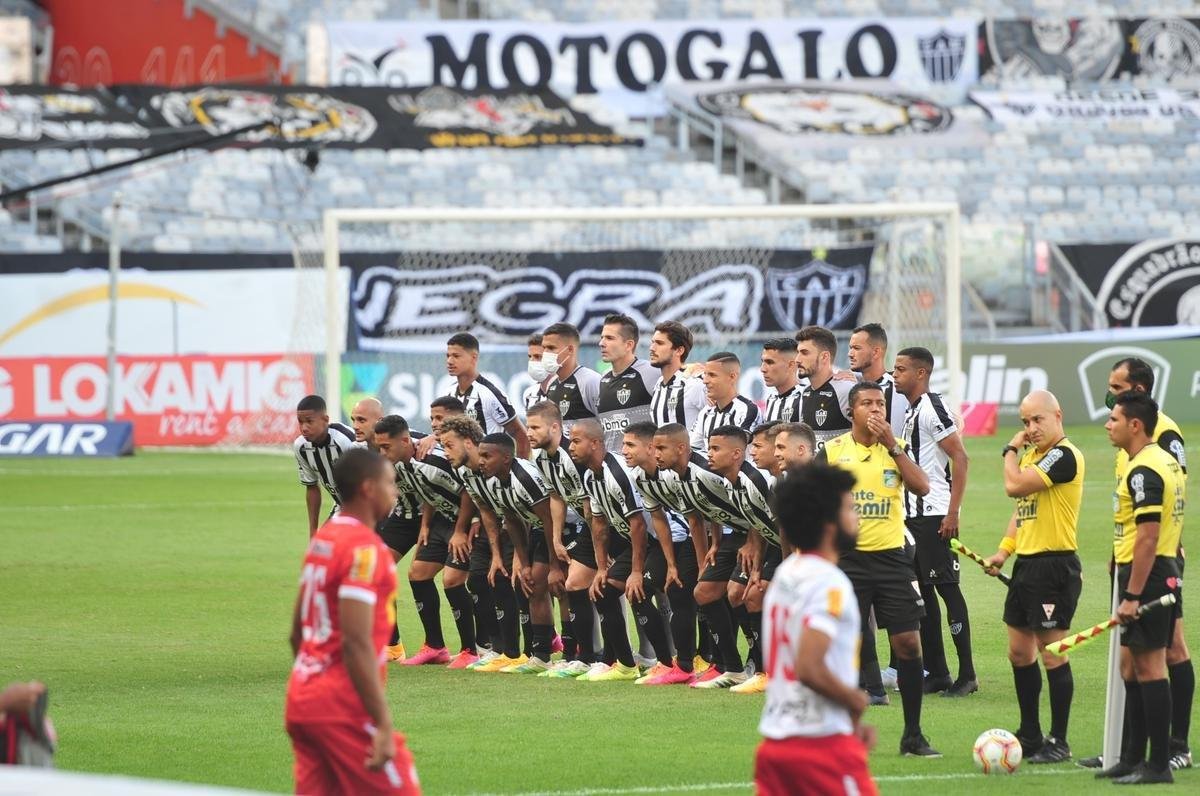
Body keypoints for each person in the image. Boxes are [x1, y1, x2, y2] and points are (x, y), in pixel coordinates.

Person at [285, 448, 421, 796]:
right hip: (341, 707)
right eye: (390, 484)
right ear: (368, 488)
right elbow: (356, 641)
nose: (395, 492)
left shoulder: (324, 540)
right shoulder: (364, 549)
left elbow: (298, 633)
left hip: (302, 699)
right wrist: (382, 723)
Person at [1079, 357, 1192, 772]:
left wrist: (1134, 586)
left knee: (1160, 656)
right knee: (1133, 661)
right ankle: (1130, 755)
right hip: (1137, 560)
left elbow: (1153, 522)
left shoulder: (1158, 446)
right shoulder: (1134, 450)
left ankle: (1167, 753)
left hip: (1153, 564)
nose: (1108, 414)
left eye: (1115, 391)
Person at [819, 381, 940, 757]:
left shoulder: (896, 450)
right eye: (867, 403)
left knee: (907, 642)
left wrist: (893, 445)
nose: (876, 410)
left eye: (881, 404)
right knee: (845, 648)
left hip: (892, 560)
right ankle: (840, 736)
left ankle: (913, 735)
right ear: (851, 411)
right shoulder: (833, 451)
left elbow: (922, 487)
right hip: (848, 563)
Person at [754, 464, 877, 796]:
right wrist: (854, 700)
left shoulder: (786, 573)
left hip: (776, 746)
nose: (857, 517)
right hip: (819, 750)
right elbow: (809, 666)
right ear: (829, 525)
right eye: (850, 508)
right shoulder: (827, 582)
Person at [982, 390, 1084, 764]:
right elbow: (1022, 508)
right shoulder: (1034, 457)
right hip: (1026, 564)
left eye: (1037, 420)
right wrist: (1004, 551)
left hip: (1054, 565)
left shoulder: (1064, 455)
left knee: (1053, 654)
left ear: (1057, 415)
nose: (1030, 429)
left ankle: (1060, 740)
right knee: (1019, 652)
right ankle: (1031, 734)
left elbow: (1014, 486)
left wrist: (1009, 450)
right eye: (1025, 423)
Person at [892, 346, 976, 698]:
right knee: (922, 596)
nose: (895, 375)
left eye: (900, 370)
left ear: (921, 373)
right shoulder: (913, 411)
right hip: (913, 517)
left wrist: (953, 512)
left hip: (934, 515)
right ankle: (938, 672)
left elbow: (960, 456)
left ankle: (967, 674)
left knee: (947, 590)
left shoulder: (931, 407)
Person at [570, 418, 674, 682]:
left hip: (657, 542)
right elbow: (599, 525)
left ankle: (667, 663)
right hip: (634, 543)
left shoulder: (617, 473)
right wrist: (601, 568)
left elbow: (638, 525)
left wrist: (636, 571)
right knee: (603, 591)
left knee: (637, 591)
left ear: (595, 444)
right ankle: (623, 664)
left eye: (575, 441)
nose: (570, 447)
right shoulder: (590, 476)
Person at [653, 423, 753, 689]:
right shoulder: (675, 477)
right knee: (704, 592)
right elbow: (699, 517)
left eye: (661, 448)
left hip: (754, 534)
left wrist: (753, 542)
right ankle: (732, 668)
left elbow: (752, 507)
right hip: (731, 537)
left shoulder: (708, 472)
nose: (656, 455)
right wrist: (715, 544)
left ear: (682, 448)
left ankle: (758, 662)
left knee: (744, 595)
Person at [374, 415, 479, 670]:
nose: (382, 453)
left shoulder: (433, 460)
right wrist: (425, 525)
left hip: (466, 522)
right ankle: (435, 647)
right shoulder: (400, 463)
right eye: (379, 447)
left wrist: (462, 530)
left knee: (453, 580)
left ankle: (471, 650)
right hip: (442, 522)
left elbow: (467, 489)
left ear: (404, 440)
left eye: (386, 447)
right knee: (418, 574)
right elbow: (427, 492)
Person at [438, 415, 525, 672]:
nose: (445, 453)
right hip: (493, 528)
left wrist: (514, 553)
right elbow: (485, 510)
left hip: (516, 527)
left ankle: (515, 652)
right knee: (477, 578)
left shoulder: (497, 466)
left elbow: (517, 512)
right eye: (443, 446)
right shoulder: (464, 470)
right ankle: (495, 649)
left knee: (505, 583)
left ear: (468, 443)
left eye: (449, 445)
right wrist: (495, 554)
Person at [622, 421, 703, 685]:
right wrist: (669, 563)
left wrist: (695, 562)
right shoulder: (638, 477)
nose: (624, 450)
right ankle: (665, 661)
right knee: (639, 590)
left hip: (695, 538)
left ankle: (691, 662)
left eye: (630, 444)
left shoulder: (673, 473)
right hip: (669, 542)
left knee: (683, 593)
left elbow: (695, 518)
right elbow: (658, 519)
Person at [528, 400, 601, 678]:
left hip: (599, 524)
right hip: (580, 527)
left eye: (535, 427)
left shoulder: (574, 454)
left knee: (580, 585)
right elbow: (557, 497)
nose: (530, 432)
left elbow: (589, 502)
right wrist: (556, 539)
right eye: (528, 426)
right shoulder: (543, 458)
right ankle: (581, 655)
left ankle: (595, 656)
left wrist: (596, 543)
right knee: (571, 587)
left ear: (556, 427)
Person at [706, 425, 781, 695]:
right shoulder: (732, 481)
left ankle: (769, 670)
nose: (709, 454)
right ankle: (752, 665)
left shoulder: (757, 481)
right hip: (772, 546)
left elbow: (785, 528)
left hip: (792, 549)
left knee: (755, 596)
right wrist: (756, 568)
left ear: (736, 453)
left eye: (715, 449)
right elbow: (758, 527)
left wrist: (795, 567)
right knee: (737, 592)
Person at [478, 432, 561, 673]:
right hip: (538, 528)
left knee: (558, 586)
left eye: (486, 456)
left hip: (561, 528)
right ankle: (541, 656)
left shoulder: (524, 478)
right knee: (532, 584)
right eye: (480, 455)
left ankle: (567, 653)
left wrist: (555, 566)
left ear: (505, 458)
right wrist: (523, 563)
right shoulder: (493, 481)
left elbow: (550, 520)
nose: (480, 461)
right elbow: (512, 521)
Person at [443, 332, 529, 457]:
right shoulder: (448, 393)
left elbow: (521, 435)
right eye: (448, 356)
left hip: (490, 471)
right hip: (463, 472)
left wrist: (522, 470)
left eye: (456, 356)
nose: (450, 361)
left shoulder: (489, 394)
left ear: (474, 357)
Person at [294, 394, 358, 537]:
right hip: (343, 507)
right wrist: (313, 533)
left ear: (325, 420)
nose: (304, 428)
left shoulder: (346, 441)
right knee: (321, 551)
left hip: (369, 509)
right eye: (300, 422)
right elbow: (311, 487)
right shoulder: (301, 447)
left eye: (309, 421)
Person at [596, 313, 659, 451]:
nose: (601, 343)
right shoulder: (603, 378)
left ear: (629, 345)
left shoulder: (650, 372)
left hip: (642, 467)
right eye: (602, 338)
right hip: (613, 466)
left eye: (609, 338)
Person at [794, 326, 854, 448]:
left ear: (824, 357)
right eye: (797, 353)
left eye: (804, 353)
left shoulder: (845, 390)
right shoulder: (804, 393)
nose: (797, 360)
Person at [689, 352, 761, 450]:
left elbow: (733, 451)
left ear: (732, 377)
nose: (705, 381)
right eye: (705, 374)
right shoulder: (706, 412)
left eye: (712, 375)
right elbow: (693, 449)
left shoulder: (747, 409)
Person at [847, 323, 908, 438]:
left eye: (857, 348)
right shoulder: (851, 386)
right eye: (851, 348)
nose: (850, 354)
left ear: (876, 352)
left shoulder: (899, 388)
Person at [540, 322, 602, 435]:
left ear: (570, 350)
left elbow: (607, 424)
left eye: (551, 348)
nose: (545, 353)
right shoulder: (552, 384)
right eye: (544, 348)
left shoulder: (590, 381)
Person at [649, 320, 708, 429]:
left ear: (679, 350)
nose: (652, 348)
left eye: (659, 343)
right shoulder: (659, 384)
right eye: (652, 342)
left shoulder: (695, 384)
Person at [760, 337, 803, 423]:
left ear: (791, 365)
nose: (762, 369)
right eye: (762, 362)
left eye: (770, 362)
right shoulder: (772, 399)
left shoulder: (807, 398)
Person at [522, 333, 552, 412]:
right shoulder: (529, 394)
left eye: (538, 356)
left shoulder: (571, 393)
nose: (531, 361)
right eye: (530, 356)